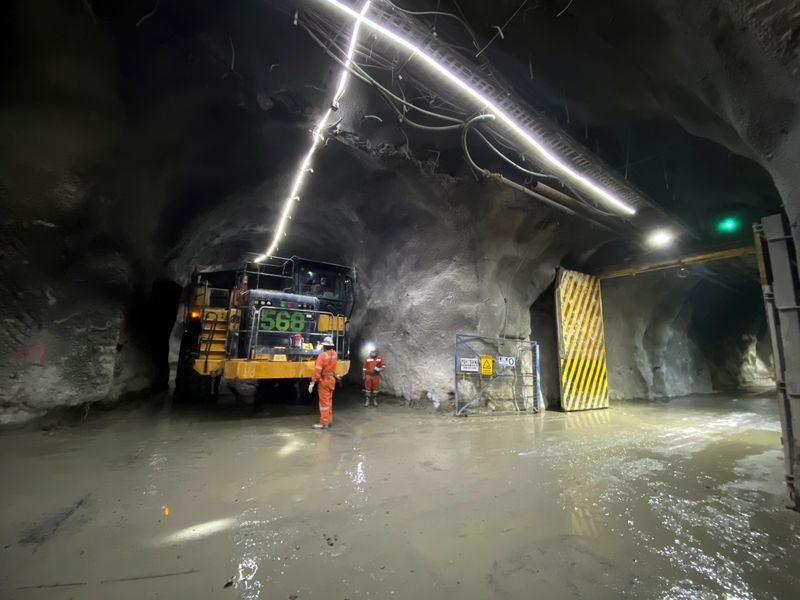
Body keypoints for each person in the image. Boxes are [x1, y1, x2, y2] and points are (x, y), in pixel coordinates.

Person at [309, 336, 337, 429]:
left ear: (324, 346)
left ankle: (324, 422)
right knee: (329, 401)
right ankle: (329, 420)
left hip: (324, 380)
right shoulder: (335, 354)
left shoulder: (322, 355)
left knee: (323, 402)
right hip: (332, 380)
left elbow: (317, 370)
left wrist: (312, 382)